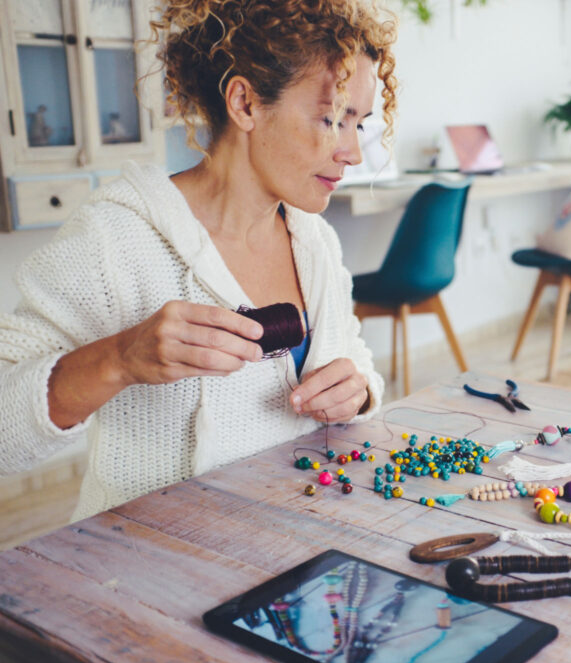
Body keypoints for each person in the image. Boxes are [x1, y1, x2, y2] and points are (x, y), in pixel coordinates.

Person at [0, 0, 398, 522]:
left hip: (290, 547)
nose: (353, 152)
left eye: (359, 125)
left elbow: (357, 359)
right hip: (148, 567)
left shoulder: (315, 242)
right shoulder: (115, 240)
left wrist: (360, 390)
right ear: (245, 103)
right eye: (331, 119)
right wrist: (119, 358)